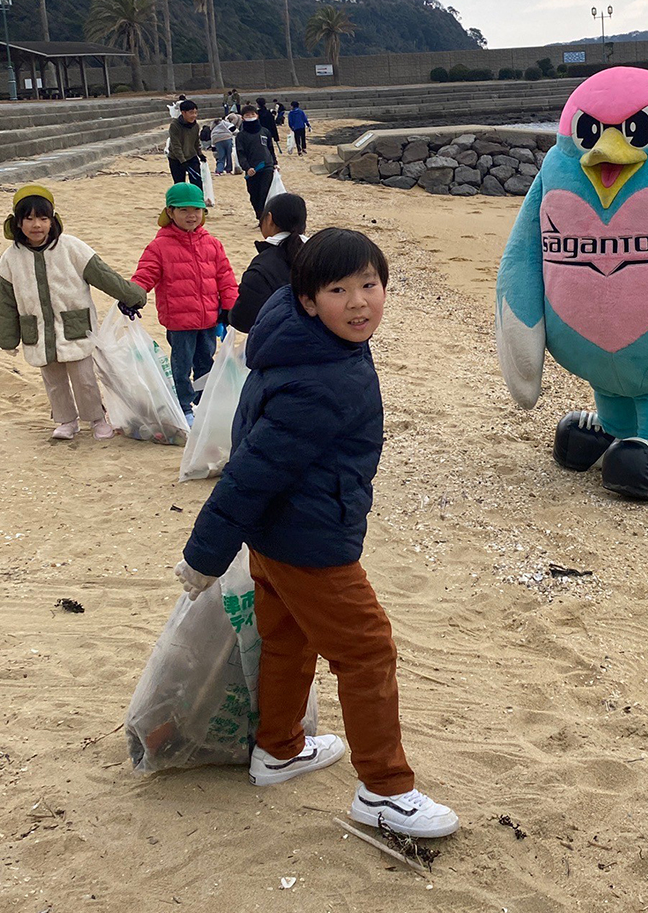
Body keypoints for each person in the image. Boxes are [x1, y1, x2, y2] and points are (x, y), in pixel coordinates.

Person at [173, 228, 460, 839]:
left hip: (275, 539)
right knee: (367, 650)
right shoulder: (323, 376)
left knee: (289, 642)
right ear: (306, 298)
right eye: (339, 290)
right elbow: (253, 470)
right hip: (309, 540)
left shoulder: (300, 339)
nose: (360, 303)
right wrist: (203, 556)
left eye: (370, 285)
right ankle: (385, 792)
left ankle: (278, 748)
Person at [0, 185, 147, 440]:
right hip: (39, 330)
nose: (36, 225)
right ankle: (66, 421)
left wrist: (132, 296)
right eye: (29, 218)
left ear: (52, 220)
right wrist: (8, 339)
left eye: (43, 218)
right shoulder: (10, 258)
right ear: (17, 222)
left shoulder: (71, 247)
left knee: (84, 378)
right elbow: (5, 303)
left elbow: (103, 276)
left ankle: (96, 418)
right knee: (53, 381)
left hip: (75, 326)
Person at [129, 183, 238, 425]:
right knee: (181, 367)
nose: (192, 216)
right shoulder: (159, 246)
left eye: (197, 210)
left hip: (209, 319)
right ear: (170, 212)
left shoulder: (212, 244)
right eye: (184, 210)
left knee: (206, 362)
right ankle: (183, 406)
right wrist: (131, 297)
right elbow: (144, 275)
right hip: (179, 322)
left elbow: (225, 277)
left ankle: (203, 402)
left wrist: (230, 306)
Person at [229, 193, 307, 333]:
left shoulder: (263, 266)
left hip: (281, 344)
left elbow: (243, 320)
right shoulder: (320, 252)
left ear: (269, 219)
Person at [235, 105, 278, 222]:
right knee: (254, 195)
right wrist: (247, 167)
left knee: (265, 193)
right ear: (243, 118)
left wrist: (275, 163)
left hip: (267, 166)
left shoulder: (265, 131)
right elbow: (241, 154)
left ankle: (265, 220)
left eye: (252, 114)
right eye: (247, 115)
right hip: (252, 170)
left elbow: (270, 149)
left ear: (257, 115)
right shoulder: (241, 136)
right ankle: (259, 216)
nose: (251, 117)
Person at [168, 99, 205, 190]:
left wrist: (200, 154)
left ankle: (197, 201)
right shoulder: (175, 125)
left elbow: (196, 141)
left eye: (196, 113)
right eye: (191, 113)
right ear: (183, 113)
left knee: (197, 182)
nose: (194, 116)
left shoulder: (195, 126)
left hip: (191, 157)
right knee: (180, 184)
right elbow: (176, 145)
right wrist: (182, 161)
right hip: (176, 159)